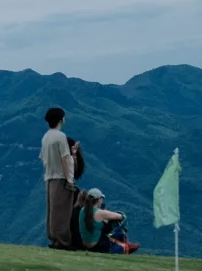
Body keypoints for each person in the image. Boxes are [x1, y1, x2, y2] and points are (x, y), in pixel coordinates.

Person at [40, 107, 75, 248]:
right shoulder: (60, 137)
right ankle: (62, 241)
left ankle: (53, 238)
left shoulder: (46, 137)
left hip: (49, 177)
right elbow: (65, 158)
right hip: (60, 177)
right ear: (61, 119)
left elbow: (43, 158)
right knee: (62, 211)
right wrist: (69, 179)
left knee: (52, 209)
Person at [73, 188, 140, 254]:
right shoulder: (100, 212)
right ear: (99, 199)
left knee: (105, 224)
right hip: (99, 246)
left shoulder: (82, 210)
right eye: (102, 198)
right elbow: (121, 216)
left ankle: (126, 245)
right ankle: (126, 245)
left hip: (84, 244)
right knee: (116, 225)